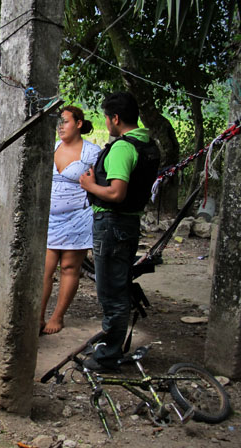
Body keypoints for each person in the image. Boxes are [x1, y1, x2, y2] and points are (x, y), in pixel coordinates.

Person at [79, 92, 160, 372]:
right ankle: (110, 344)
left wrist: (89, 185)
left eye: (106, 117)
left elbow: (116, 192)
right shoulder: (147, 143)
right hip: (127, 225)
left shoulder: (124, 148)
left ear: (115, 118)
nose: (106, 122)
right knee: (118, 286)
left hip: (112, 224)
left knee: (111, 292)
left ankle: (108, 354)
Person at [40, 106, 100, 334]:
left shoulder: (92, 153)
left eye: (64, 121)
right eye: (58, 122)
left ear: (79, 123)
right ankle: (39, 314)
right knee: (45, 269)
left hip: (78, 217)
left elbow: (98, 183)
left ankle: (58, 316)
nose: (60, 127)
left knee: (69, 267)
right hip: (50, 218)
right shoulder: (51, 148)